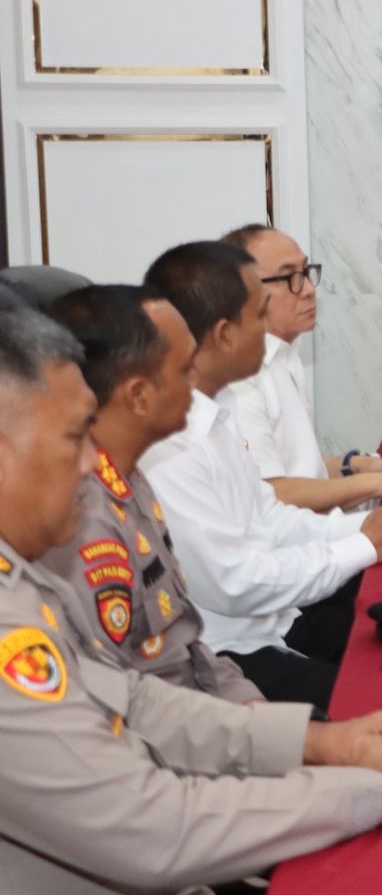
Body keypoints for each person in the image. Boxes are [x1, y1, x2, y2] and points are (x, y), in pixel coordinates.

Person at [0, 305, 382, 893]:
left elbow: (132, 697)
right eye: (74, 437)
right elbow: (153, 833)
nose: (91, 463)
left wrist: (326, 743)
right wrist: (373, 787)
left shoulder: (22, 574)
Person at [142, 241, 382, 709]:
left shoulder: (217, 409)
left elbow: (268, 517)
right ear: (224, 334)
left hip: (275, 620)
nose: (267, 331)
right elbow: (236, 584)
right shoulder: (172, 444)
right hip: (226, 656)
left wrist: (367, 528)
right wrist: (365, 545)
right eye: (258, 316)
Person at [41, 285, 263, 703]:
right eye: (184, 369)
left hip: (207, 701)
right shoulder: (84, 521)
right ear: (139, 396)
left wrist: (256, 712)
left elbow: (188, 649)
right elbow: (123, 705)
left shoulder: (133, 478)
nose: (196, 382)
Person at [221, 224, 382, 512]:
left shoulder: (284, 357)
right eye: (290, 278)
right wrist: (378, 484)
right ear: (243, 292)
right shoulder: (242, 378)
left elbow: (301, 470)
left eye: (306, 272)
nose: (308, 290)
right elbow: (272, 494)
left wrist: (353, 465)